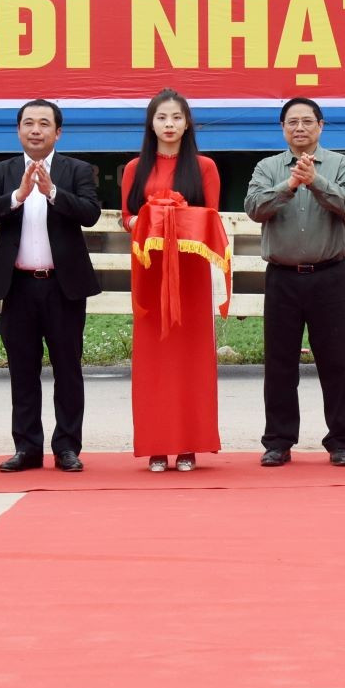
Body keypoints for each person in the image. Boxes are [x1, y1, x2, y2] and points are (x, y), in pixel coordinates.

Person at [0, 99, 102, 472]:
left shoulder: (76, 170)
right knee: (22, 370)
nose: (35, 130)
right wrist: (17, 196)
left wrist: (52, 193)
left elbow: (90, 214)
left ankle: (67, 447)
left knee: (68, 369)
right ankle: (27, 448)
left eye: (44, 124)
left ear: (57, 132)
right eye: (28, 123)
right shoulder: (2, 171)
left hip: (63, 287)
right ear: (18, 130)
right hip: (18, 286)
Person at [245, 97, 345, 467]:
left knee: (336, 361)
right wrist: (289, 185)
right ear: (283, 128)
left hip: (329, 275)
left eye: (307, 121)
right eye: (292, 122)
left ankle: (340, 441)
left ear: (321, 126)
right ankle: (279, 441)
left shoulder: (341, 164)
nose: (300, 128)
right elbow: (253, 208)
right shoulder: (267, 167)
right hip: (283, 277)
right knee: (279, 362)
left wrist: (316, 182)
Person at [120, 89, 223, 472]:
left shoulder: (205, 167)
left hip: (191, 271)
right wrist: (147, 218)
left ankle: (189, 445)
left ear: (187, 123)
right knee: (154, 358)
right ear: (151, 123)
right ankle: (157, 445)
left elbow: (209, 216)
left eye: (176, 118)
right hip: (150, 270)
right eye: (162, 118)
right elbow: (128, 218)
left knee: (191, 357)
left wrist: (178, 215)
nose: (169, 125)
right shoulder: (135, 168)